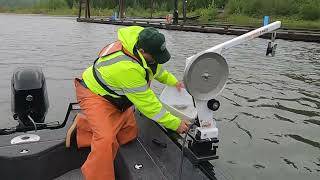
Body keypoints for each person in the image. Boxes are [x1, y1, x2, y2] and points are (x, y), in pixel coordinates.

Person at [66, 26, 189, 180]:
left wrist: (173, 81)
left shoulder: (141, 40)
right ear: (143, 51)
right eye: (155, 55)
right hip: (93, 94)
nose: (157, 59)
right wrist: (175, 123)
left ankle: (84, 125)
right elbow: (150, 106)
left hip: (116, 95)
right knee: (106, 140)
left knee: (128, 133)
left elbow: (154, 68)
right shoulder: (127, 68)